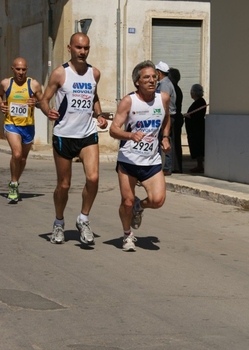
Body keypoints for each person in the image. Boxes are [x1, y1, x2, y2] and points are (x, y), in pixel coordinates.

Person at [40, 32, 107, 245]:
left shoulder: (94, 73)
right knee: (64, 185)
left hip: (87, 133)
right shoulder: (60, 74)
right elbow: (44, 99)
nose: (83, 52)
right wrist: (47, 111)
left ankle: (83, 219)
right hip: (64, 134)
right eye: (79, 48)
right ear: (70, 48)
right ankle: (59, 223)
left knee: (94, 178)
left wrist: (99, 115)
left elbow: (94, 97)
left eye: (86, 48)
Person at [109, 60, 171, 252]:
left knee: (157, 200)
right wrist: (130, 135)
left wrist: (166, 137)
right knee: (126, 201)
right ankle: (127, 234)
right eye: (146, 77)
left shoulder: (164, 98)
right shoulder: (129, 101)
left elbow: (167, 118)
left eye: (154, 77)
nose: (152, 80)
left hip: (151, 160)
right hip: (128, 160)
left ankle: (139, 206)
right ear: (137, 81)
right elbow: (113, 130)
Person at [0, 57, 43, 203]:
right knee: (17, 154)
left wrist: (35, 102)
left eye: (23, 69)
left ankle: (16, 182)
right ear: (13, 69)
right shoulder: (6, 83)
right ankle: (13, 184)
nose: (21, 72)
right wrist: (1, 104)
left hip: (28, 126)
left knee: (23, 159)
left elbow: (43, 102)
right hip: (11, 124)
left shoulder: (34, 84)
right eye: (18, 69)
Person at [155, 61, 176, 176]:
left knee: (165, 140)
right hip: (167, 116)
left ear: (159, 72)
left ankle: (167, 167)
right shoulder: (167, 83)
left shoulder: (164, 85)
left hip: (166, 117)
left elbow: (163, 103)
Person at [184, 84, 206, 173]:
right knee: (195, 147)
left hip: (197, 130)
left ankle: (200, 165)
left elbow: (196, 115)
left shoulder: (200, 102)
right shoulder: (198, 102)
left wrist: (188, 116)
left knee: (198, 147)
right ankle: (199, 165)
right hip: (194, 130)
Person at [168, 67, 184, 173]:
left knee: (173, 142)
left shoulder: (173, 89)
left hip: (174, 118)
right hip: (176, 118)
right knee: (175, 142)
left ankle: (175, 166)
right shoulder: (176, 88)